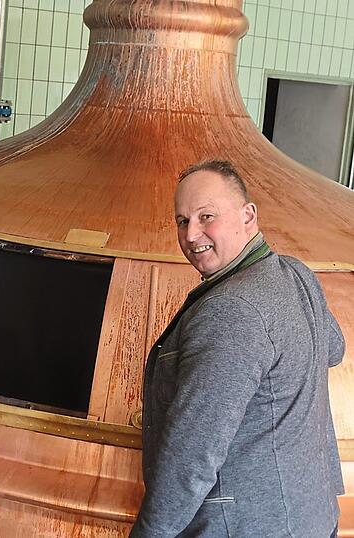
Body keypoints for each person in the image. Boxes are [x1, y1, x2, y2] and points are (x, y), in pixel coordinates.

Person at [131, 159, 345, 537]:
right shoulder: (293, 273)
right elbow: (333, 348)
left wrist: (150, 533)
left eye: (206, 216)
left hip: (244, 525)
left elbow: (192, 455)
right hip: (310, 513)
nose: (192, 234)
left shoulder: (231, 311)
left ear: (248, 215)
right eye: (182, 221)